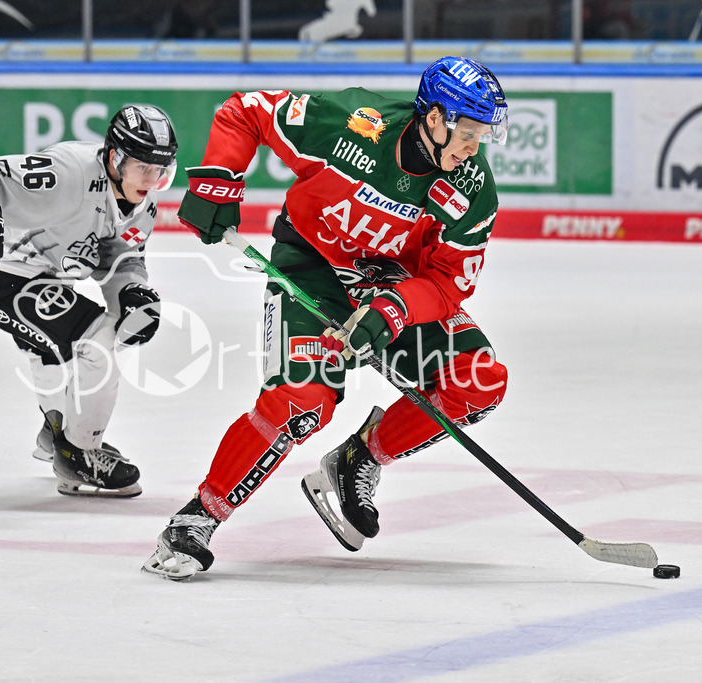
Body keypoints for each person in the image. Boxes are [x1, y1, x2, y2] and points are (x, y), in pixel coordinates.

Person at [142, 57, 510, 580]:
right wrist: (217, 182)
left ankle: (361, 458)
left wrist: (393, 309)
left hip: (389, 284)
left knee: (478, 380)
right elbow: (245, 112)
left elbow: (450, 281)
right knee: (302, 403)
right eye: (468, 131)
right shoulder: (354, 121)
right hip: (311, 268)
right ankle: (195, 520)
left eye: (481, 134)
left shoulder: (471, 188)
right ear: (433, 117)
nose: (475, 145)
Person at [0, 104, 178, 497]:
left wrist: (130, 292)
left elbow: (122, 259)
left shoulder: (143, 205)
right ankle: (79, 454)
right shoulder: (68, 172)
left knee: (55, 347)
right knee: (95, 344)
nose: (151, 180)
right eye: (142, 168)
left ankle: (58, 434)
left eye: (160, 171)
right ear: (114, 157)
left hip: (37, 277)